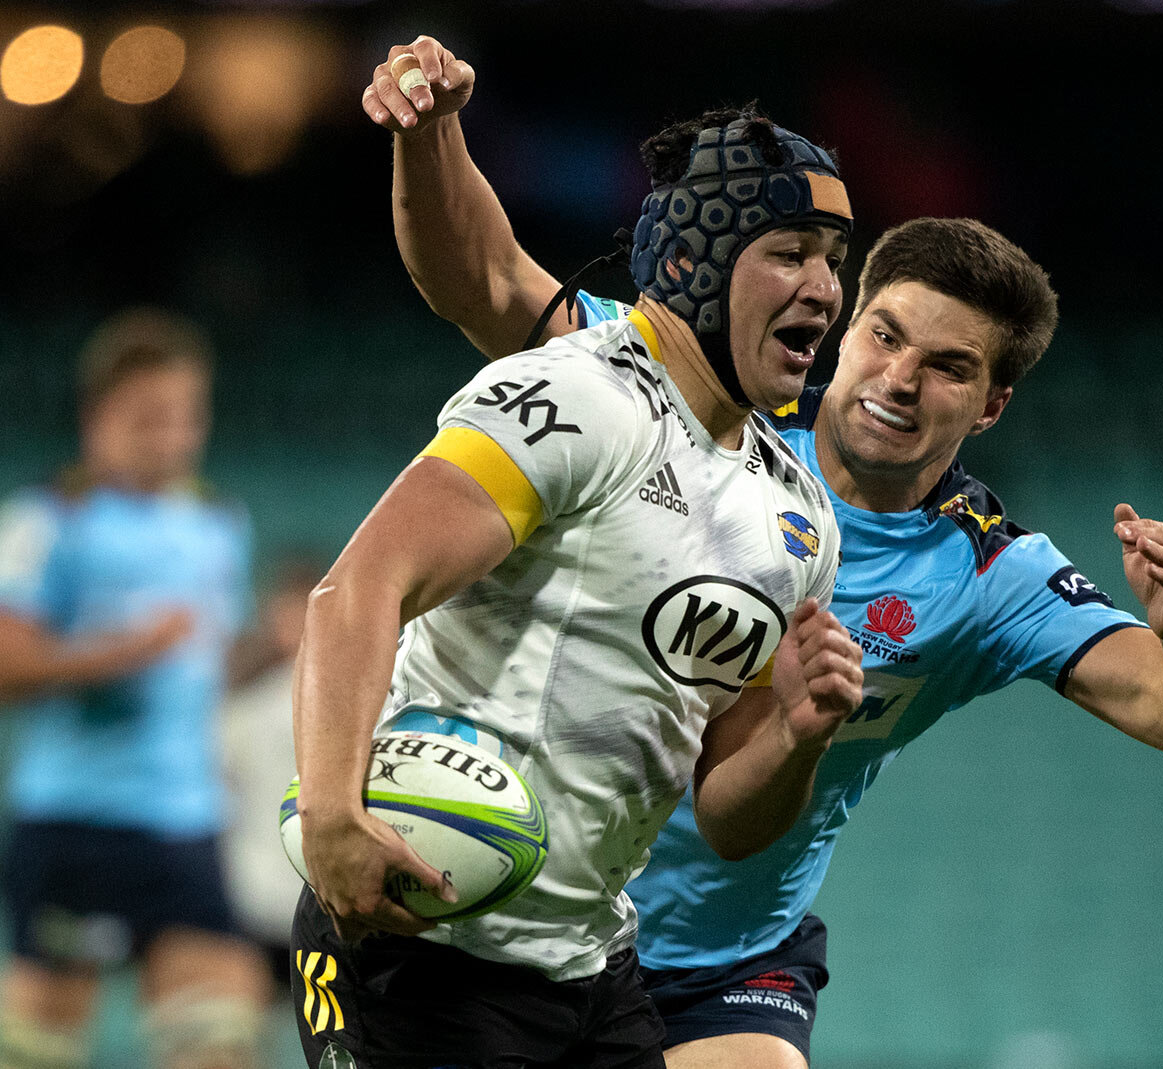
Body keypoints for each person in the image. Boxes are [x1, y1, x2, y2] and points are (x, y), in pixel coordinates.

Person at [363, 38, 1163, 1069]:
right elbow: (479, 275)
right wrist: (429, 137)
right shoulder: (682, 391)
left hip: (723, 962)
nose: (900, 378)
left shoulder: (987, 572)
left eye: (950, 367)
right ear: (846, 322)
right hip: (524, 923)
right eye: (885, 336)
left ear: (992, 402)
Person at [289, 107, 867, 1069]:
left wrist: (797, 735)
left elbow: (728, 813)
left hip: (591, 974)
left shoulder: (797, 517)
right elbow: (357, 591)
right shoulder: (580, 396)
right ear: (693, 263)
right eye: (791, 252)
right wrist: (333, 820)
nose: (824, 289)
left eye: (835, 260)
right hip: (422, 954)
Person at [0, 310, 270, 1069]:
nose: (173, 437)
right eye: (149, 418)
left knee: (220, 1037)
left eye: (187, 417)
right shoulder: (51, 518)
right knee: (38, 1051)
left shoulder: (219, 521)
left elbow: (207, 665)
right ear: (97, 415)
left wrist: (272, 650)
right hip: (77, 822)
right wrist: (121, 651)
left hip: (187, 826)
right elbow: (8, 664)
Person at [218, 557, 327, 982]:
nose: (295, 624)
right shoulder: (243, 703)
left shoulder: (372, 700)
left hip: (322, 897)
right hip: (254, 896)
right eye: (286, 611)